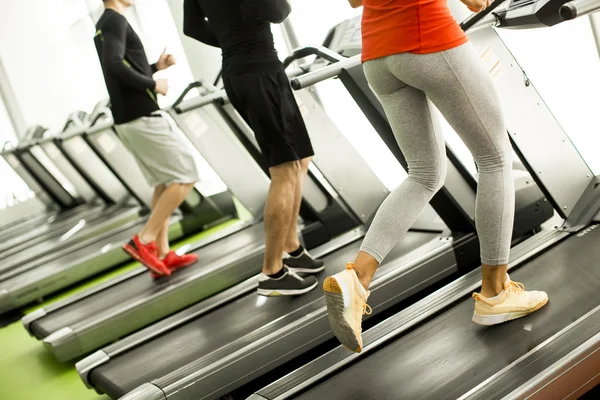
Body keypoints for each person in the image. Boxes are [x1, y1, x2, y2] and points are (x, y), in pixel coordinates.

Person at [324, 0, 549, 352]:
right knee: (494, 159)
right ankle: (495, 293)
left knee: (424, 174)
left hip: (378, 54)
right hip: (426, 35)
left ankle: (358, 276)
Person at [183, 0, 325, 296]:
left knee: (301, 159)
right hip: (259, 73)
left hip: (247, 70)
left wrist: (229, 38)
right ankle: (272, 271)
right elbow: (279, 12)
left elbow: (192, 26)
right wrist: (240, 39)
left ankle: (292, 247)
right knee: (284, 169)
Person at [95, 0, 200, 278]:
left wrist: (154, 67)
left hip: (130, 117)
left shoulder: (105, 24)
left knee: (164, 181)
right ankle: (144, 240)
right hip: (141, 116)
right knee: (186, 175)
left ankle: (162, 253)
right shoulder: (114, 20)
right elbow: (114, 66)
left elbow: (119, 68)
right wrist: (153, 83)